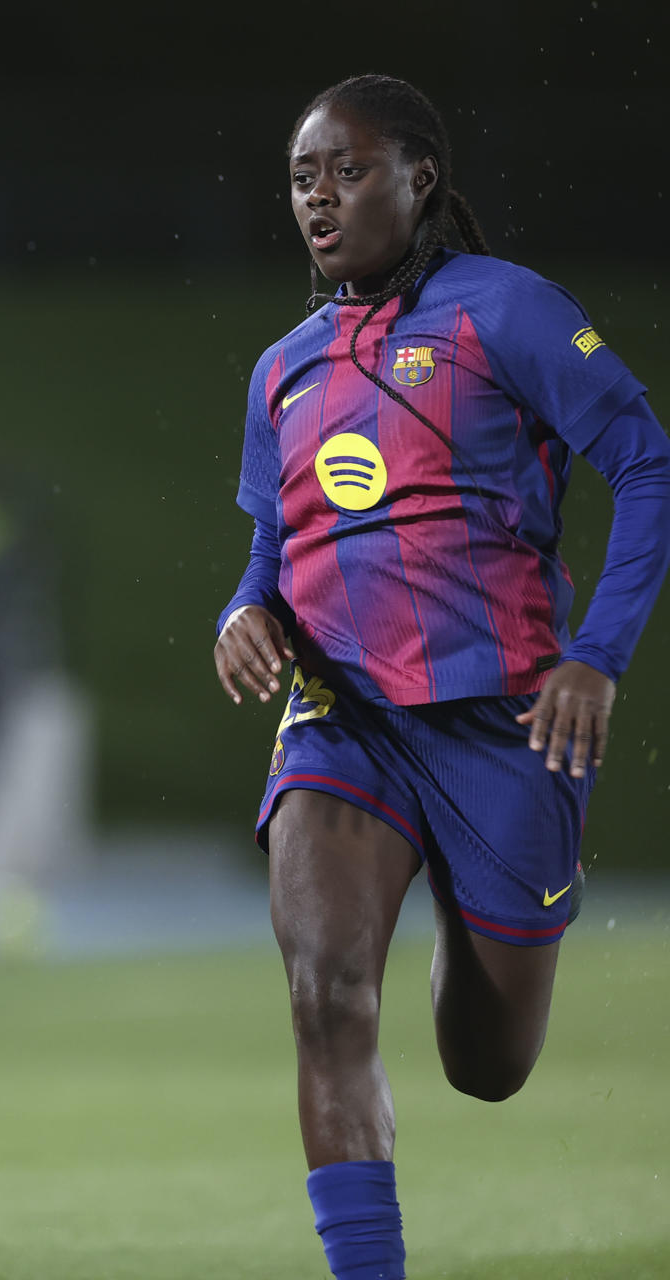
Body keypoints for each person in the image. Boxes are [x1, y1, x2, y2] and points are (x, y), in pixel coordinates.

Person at [212, 75, 670, 1279]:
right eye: (303, 177)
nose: (319, 196)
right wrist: (241, 610)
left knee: (488, 1062)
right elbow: (272, 543)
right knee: (325, 991)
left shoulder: (504, 312)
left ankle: (465, 902)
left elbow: (646, 464)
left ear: (420, 177)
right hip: (341, 716)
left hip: (503, 720)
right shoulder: (282, 366)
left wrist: (596, 657)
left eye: (346, 170)